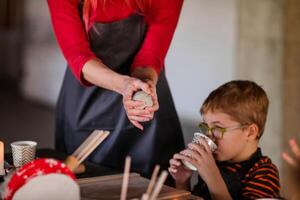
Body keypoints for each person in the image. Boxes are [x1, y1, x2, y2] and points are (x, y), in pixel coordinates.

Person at [47, 0, 185, 178]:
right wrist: (124, 85)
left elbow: (150, 56)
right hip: (87, 99)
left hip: (144, 91)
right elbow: (77, 54)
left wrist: (141, 88)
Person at [169, 80, 281, 199]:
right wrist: (182, 181)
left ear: (250, 132)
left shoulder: (264, 173)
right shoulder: (215, 160)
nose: (209, 136)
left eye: (218, 128)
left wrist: (212, 176)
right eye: (206, 127)